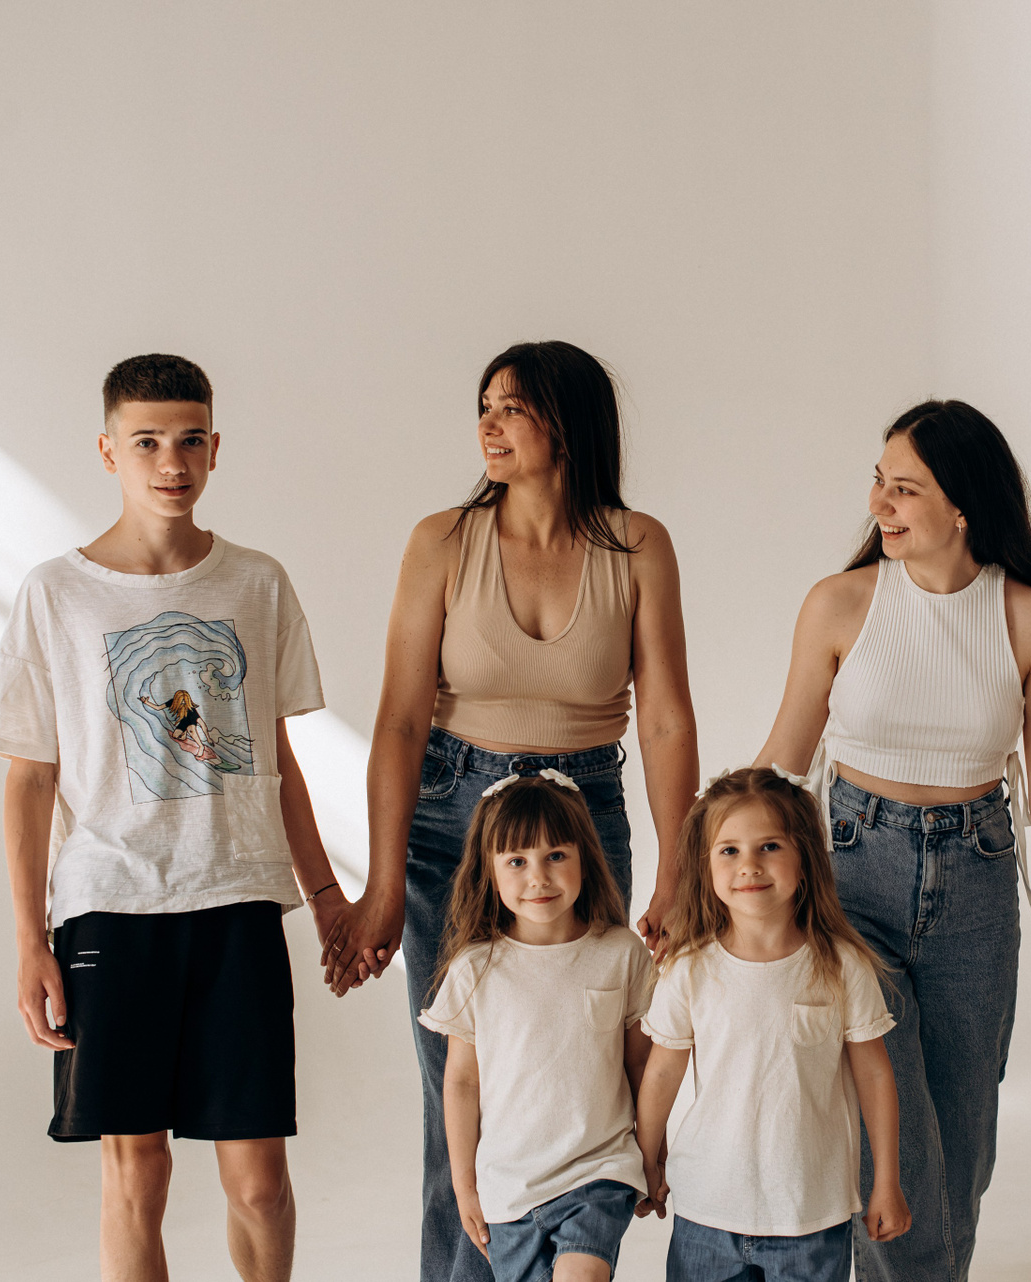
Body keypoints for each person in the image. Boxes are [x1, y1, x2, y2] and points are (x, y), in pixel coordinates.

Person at [320, 341, 699, 1280]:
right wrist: (379, 886)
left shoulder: (638, 545)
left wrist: (680, 872)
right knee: (457, 1079)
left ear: (566, 425)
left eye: (512, 408)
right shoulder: (443, 541)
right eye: (483, 406)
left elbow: (664, 720)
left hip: (584, 822)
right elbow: (400, 721)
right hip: (453, 819)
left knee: (582, 1066)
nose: (488, 426)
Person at [0, 354, 350, 1281]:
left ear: (216, 448)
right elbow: (30, 780)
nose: (170, 462)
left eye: (189, 440)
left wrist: (327, 898)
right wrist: (29, 941)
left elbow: (275, 761)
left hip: (236, 904)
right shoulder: (55, 594)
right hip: (110, 907)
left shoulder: (256, 583)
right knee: (136, 1172)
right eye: (146, 442)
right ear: (109, 451)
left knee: (259, 1184)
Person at [754, 399, 1031, 1280]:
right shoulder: (840, 604)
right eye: (878, 482)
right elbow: (780, 771)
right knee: (894, 1144)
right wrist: (702, 884)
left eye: (905, 489)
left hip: (978, 888)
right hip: (853, 881)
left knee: (962, 1150)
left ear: (963, 505)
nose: (879, 503)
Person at [637, 767, 908, 1282]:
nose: (750, 866)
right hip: (706, 1208)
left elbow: (875, 1076)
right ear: (706, 866)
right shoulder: (688, 968)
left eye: (770, 847)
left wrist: (887, 1182)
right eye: (729, 850)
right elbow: (662, 1074)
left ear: (804, 859)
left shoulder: (842, 965)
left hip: (811, 1212)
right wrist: (646, 1159)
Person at [420, 771, 657, 1282]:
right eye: (517, 861)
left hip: (599, 1169)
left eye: (556, 856)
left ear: (583, 858)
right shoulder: (475, 968)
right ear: (490, 871)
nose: (539, 877)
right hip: (511, 1187)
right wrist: (465, 1185)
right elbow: (461, 1082)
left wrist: (652, 1154)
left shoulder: (620, 953)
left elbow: (641, 1065)